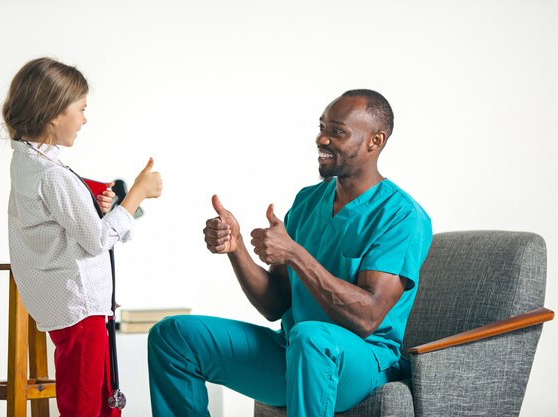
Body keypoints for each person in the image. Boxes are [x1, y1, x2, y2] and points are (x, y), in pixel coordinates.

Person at [147, 89, 432, 417]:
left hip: (362, 364)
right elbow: (275, 305)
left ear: (375, 141)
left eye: (336, 131)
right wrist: (236, 248)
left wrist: (295, 254)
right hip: (293, 351)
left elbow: (366, 318)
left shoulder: (401, 216)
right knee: (173, 335)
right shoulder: (309, 201)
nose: (321, 139)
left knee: (311, 337)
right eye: (321, 127)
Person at [4, 57, 163, 417]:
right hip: (82, 312)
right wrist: (136, 193)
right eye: (81, 109)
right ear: (55, 112)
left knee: (101, 401)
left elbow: (64, 218)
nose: (85, 119)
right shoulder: (52, 175)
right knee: (87, 407)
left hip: (79, 310)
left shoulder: (29, 164)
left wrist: (98, 201)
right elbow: (96, 240)